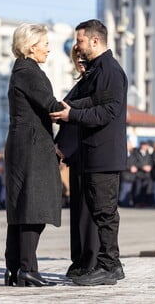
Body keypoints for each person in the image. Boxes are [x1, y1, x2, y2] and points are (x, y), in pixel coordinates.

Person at [50, 19, 127, 286]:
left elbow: (108, 111)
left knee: (105, 213)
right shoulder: (97, 70)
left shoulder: (110, 71)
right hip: (93, 154)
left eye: (80, 41)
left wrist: (71, 114)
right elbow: (90, 101)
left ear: (95, 41)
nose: (77, 46)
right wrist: (64, 110)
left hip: (104, 156)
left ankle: (109, 266)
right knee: (97, 211)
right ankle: (101, 263)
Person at [4, 23, 66, 287]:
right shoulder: (30, 72)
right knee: (33, 208)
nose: (49, 49)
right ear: (32, 47)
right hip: (32, 146)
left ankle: (14, 269)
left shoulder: (20, 71)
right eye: (45, 44)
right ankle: (28, 269)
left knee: (21, 208)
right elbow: (50, 105)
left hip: (23, 144)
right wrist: (78, 111)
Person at [55, 48, 99, 279]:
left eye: (84, 59)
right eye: (77, 59)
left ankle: (89, 261)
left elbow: (78, 118)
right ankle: (80, 260)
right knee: (78, 211)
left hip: (86, 151)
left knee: (88, 211)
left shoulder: (93, 83)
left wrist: (61, 148)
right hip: (76, 156)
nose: (80, 62)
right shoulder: (81, 83)